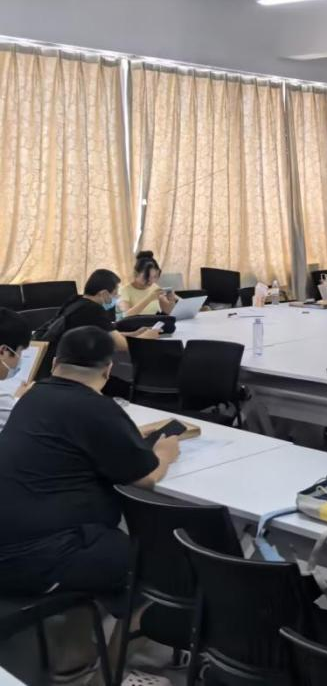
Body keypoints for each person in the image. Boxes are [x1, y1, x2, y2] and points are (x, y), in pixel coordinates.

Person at [0, 327, 181, 678]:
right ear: (108, 370)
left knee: (108, 546)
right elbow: (145, 478)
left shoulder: (33, 397)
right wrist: (164, 453)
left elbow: (71, 441)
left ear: (56, 362)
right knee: (158, 564)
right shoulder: (96, 407)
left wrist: (122, 436)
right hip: (38, 558)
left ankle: (75, 656)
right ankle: (113, 675)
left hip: (15, 543)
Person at [58, 269, 162, 354]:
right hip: (77, 366)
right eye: (115, 293)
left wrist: (134, 334)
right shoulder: (93, 310)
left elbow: (106, 335)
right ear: (104, 294)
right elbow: (123, 346)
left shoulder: (75, 301)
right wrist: (147, 337)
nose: (117, 297)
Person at [0, 308, 32, 431]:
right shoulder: (2, 397)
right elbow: (22, 424)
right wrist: (20, 399)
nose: (20, 358)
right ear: (3, 351)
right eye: (20, 351)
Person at [119, 251, 178, 317]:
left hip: (154, 322)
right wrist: (149, 299)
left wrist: (171, 300)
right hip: (136, 323)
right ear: (136, 274)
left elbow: (167, 311)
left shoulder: (154, 287)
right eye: (146, 277)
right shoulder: (125, 290)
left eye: (154, 277)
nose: (151, 281)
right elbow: (126, 315)